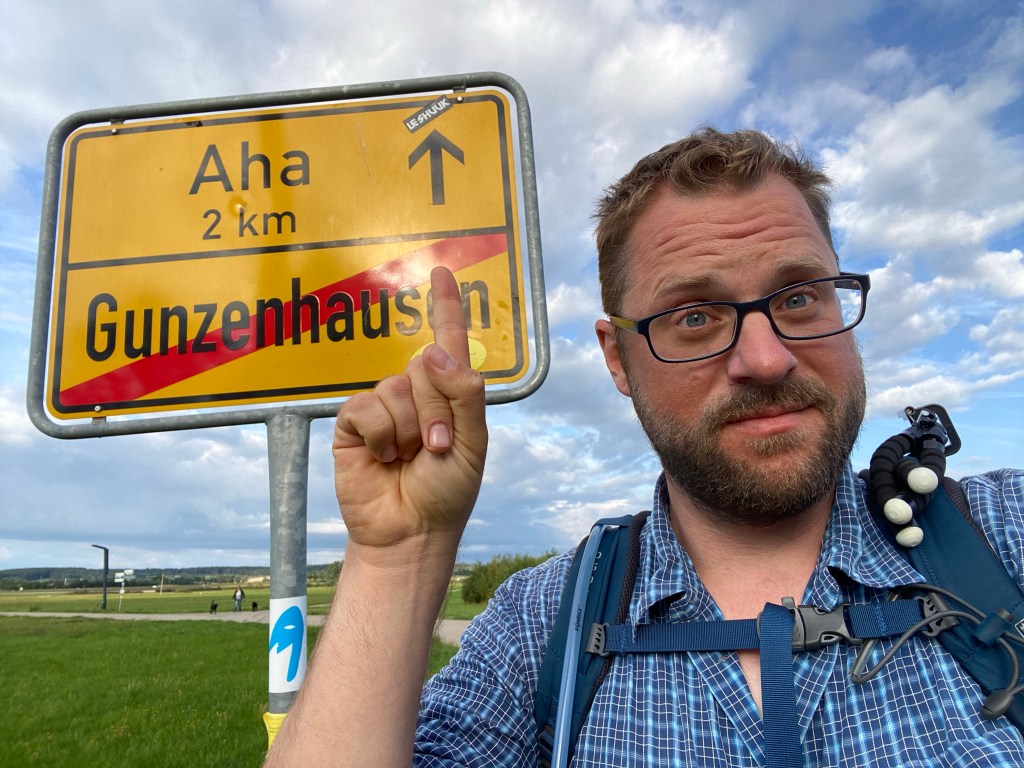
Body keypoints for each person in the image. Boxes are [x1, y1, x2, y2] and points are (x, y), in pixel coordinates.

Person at [264, 128, 1024, 766]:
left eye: (799, 297)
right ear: (618, 359)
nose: (766, 359)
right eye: (693, 316)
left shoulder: (1005, 534)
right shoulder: (543, 625)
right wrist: (399, 557)